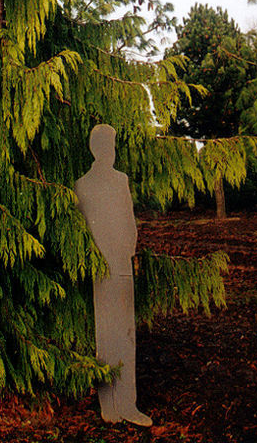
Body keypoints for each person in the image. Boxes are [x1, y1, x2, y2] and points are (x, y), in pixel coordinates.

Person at [74, 123, 152, 427]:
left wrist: (126, 253)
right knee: (111, 333)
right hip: (106, 266)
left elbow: (128, 221)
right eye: (108, 145)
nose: (111, 151)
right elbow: (91, 228)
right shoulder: (92, 184)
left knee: (117, 332)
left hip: (114, 265)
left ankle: (122, 404)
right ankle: (113, 403)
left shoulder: (112, 181)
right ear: (99, 148)